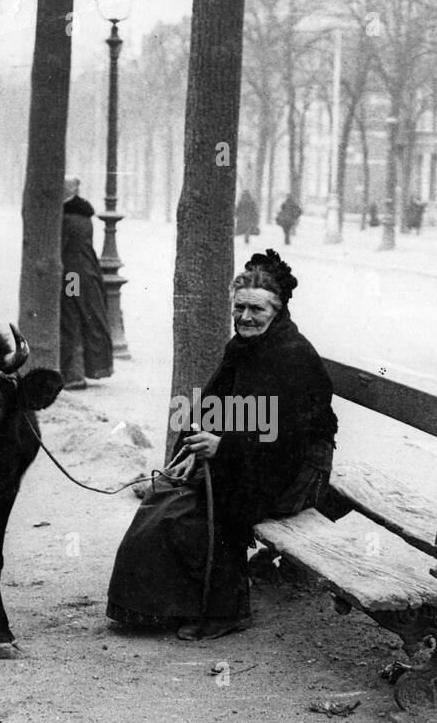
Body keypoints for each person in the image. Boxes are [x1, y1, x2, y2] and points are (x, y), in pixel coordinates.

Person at [106, 249, 338, 641]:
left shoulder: (293, 356)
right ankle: (161, 608)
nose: (245, 317)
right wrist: (189, 451)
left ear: (277, 310)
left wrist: (224, 448)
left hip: (296, 470)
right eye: (239, 307)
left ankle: (227, 609)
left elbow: (289, 438)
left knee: (214, 508)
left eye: (257, 310)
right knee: (164, 502)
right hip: (253, 457)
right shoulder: (243, 346)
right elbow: (210, 404)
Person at [59, 176, 114, 391]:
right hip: (88, 271)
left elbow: (63, 247)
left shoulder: (66, 216)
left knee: (70, 316)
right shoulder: (83, 214)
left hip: (73, 275)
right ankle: (92, 368)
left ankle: (73, 374)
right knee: (85, 318)